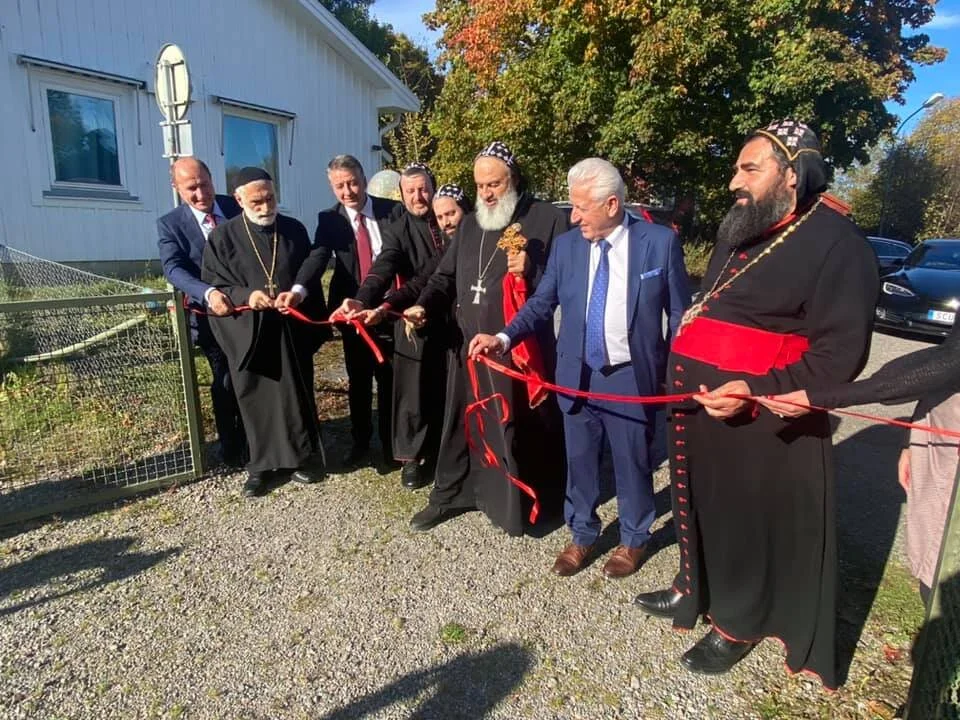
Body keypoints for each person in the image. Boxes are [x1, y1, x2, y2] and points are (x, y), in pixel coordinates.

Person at [632, 121, 879, 688]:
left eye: (749, 169)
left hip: (762, 424)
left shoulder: (839, 244)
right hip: (701, 408)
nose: (732, 182)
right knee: (699, 504)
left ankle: (738, 621)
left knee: (742, 521)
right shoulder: (742, 229)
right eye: (735, 168)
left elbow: (840, 353)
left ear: (792, 174)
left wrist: (758, 391)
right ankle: (694, 588)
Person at [470, 158, 690, 578]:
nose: (573, 217)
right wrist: (502, 338)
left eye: (581, 208)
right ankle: (583, 534)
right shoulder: (569, 247)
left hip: (629, 376)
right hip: (577, 375)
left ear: (611, 204)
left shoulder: (658, 243)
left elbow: (679, 315)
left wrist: (676, 372)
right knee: (581, 461)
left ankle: (634, 538)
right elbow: (540, 304)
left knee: (633, 462)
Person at [405, 141, 570, 536]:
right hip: (472, 349)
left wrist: (535, 266)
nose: (486, 193)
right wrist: (424, 305)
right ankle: (453, 494)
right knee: (463, 425)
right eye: (479, 186)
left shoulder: (547, 218)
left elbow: (567, 281)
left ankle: (527, 506)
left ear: (513, 177)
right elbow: (444, 277)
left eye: (494, 184)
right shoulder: (471, 223)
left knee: (522, 429)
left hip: (519, 352)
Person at [760, 322, 960, 608]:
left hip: (952, 446)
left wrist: (824, 397)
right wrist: (911, 440)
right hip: (939, 429)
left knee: (945, 565)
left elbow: (950, 363)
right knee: (933, 553)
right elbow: (949, 354)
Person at [201, 167, 329, 497]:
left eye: (270, 198)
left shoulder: (293, 229)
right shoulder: (223, 237)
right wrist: (248, 296)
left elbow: (309, 267)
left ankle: (299, 458)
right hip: (249, 331)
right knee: (253, 397)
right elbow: (216, 284)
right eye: (257, 201)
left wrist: (297, 292)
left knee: (294, 395)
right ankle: (260, 465)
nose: (265, 206)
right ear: (240, 199)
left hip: (289, 328)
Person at [333, 163, 452, 490]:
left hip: (453, 316)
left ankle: (449, 449)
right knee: (411, 392)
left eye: (424, 188)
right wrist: (362, 299)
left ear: (434, 187)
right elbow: (381, 268)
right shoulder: (398, 230)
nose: (419, 196)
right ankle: (413, 457)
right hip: (412, 317)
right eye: (411, 191)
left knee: (450, 387)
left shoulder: (451, 218)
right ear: (401, 195)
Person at [309, 155, 402, 468]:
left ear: (363, 179)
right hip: (351, 311)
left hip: (387, 308)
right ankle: (361, 442)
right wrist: (296, 289)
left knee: (389, 379)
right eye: (340, 186)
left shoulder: (392, 211)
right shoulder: (329, 219)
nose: (348, 191)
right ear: (332, 187)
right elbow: (318, 257)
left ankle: (392, 447)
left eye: (352, 182)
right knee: (359, 379)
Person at [157, 157, 247, 468]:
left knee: (253, 374)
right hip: (210, 317)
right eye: (191, 188)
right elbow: (173, 268)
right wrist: (207, 293)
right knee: (224, 380)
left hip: (249, 310)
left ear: (213, 179)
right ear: (177, 188)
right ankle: (231, 446)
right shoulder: (171, 224)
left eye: (204, 184)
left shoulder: (237, 206)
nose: (200, 193)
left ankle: (260, 442)